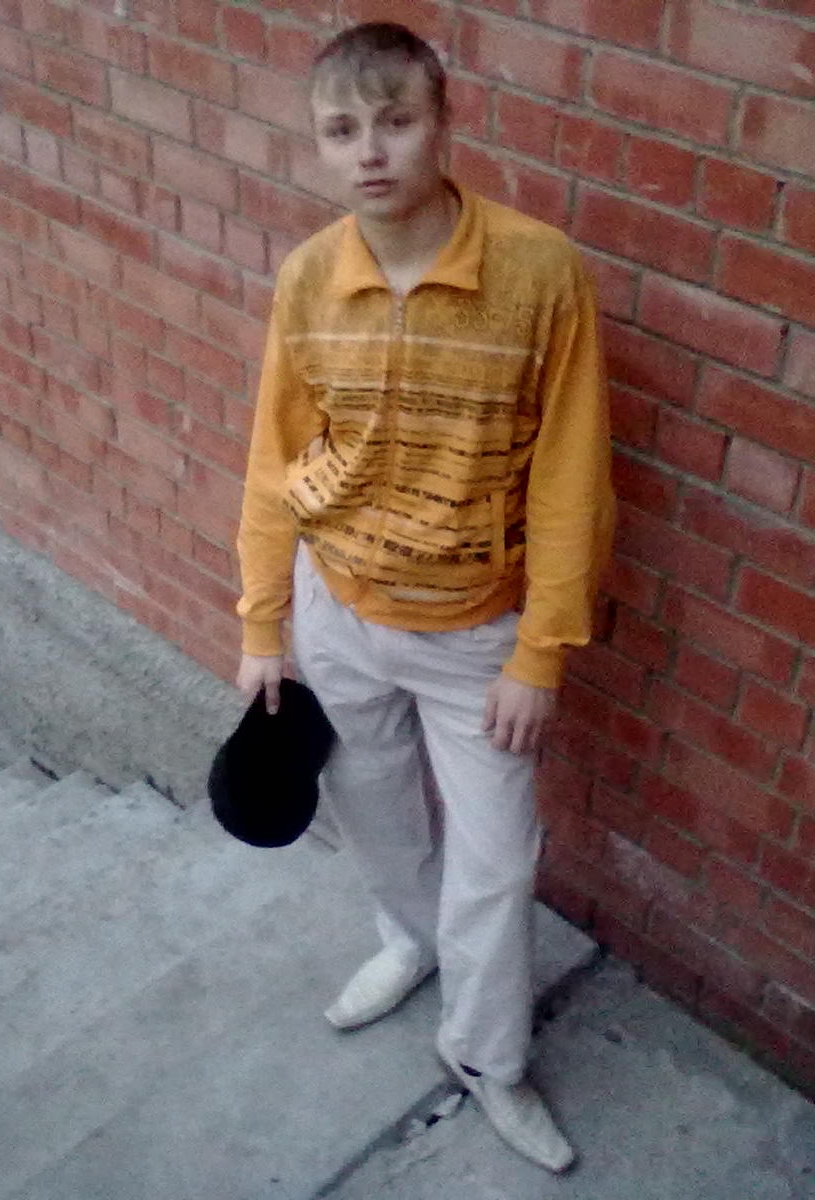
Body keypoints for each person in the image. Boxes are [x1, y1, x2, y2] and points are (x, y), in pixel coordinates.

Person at [233, 21, 614, 1173]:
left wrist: (540, 651)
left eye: (395, 121)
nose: (369, 151)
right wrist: (263, 626)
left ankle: (488, 1056)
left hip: (474, 632)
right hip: (338, 609)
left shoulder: (538, 273)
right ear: (317, 145)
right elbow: (275, 460)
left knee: (498, 863)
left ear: (445, 122)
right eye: (341, 129)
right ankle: (409, 942)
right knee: (377, 815)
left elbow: (572, 476)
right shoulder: (310, 278)